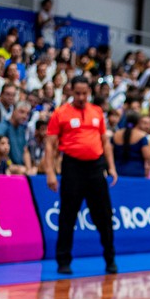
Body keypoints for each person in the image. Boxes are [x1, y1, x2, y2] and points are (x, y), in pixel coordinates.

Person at [44, 75, 118, 275]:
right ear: (70, 91)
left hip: (96, 168)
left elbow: (105, 142)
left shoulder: (97, 112)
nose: (81, 97)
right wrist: (50, 172)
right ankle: (63, 261)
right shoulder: (61, 113)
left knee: (104, 216)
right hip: (72, 167)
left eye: (85, 93)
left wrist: (111, 167)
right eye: (77, 93)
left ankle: (110, 259)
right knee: (67, 216)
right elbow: (50, 146)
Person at [112, 110, 150, 178]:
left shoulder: (116, 134)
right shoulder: (141, 136)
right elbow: (147, 156)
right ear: (138, 122)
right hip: (136, 172)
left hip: (118, 170)